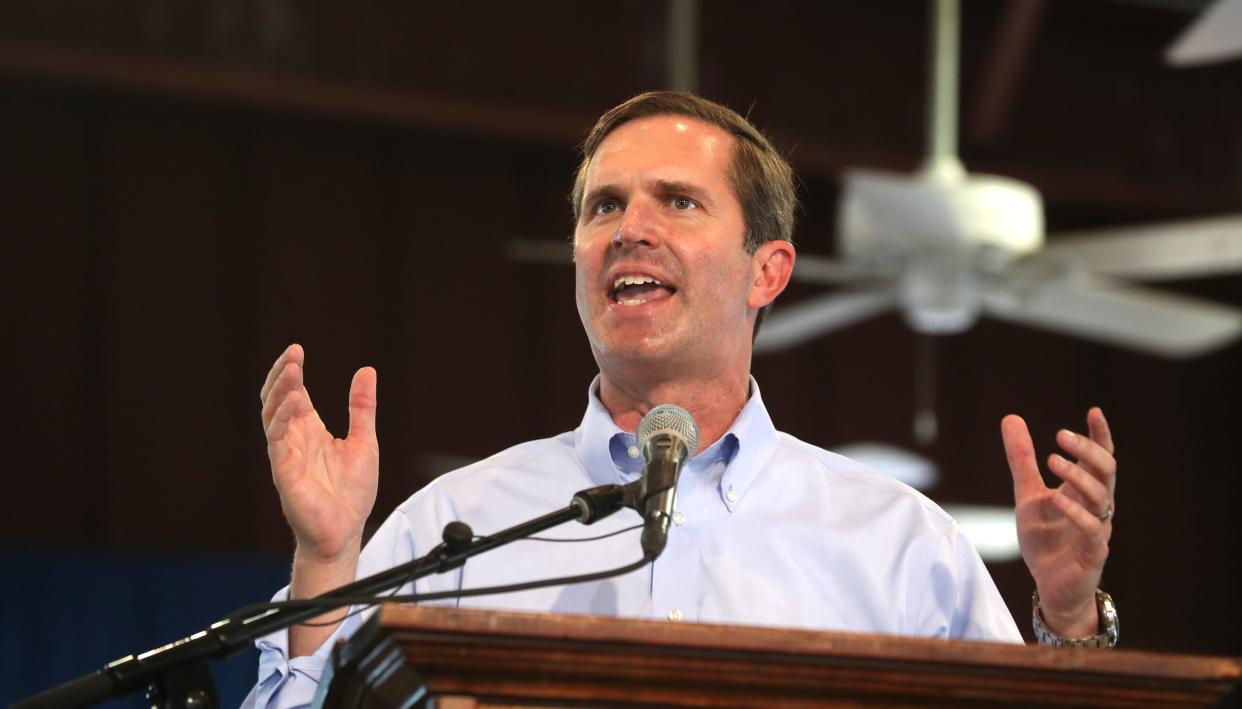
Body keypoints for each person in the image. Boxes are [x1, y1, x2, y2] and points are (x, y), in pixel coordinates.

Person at [244, 92, 1118, 709]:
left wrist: (1070, 616)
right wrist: (325, 559)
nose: (630, 226)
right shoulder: (457, 524)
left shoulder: (898, 540)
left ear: (766, 270)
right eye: (605, 205)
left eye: (679, 201)